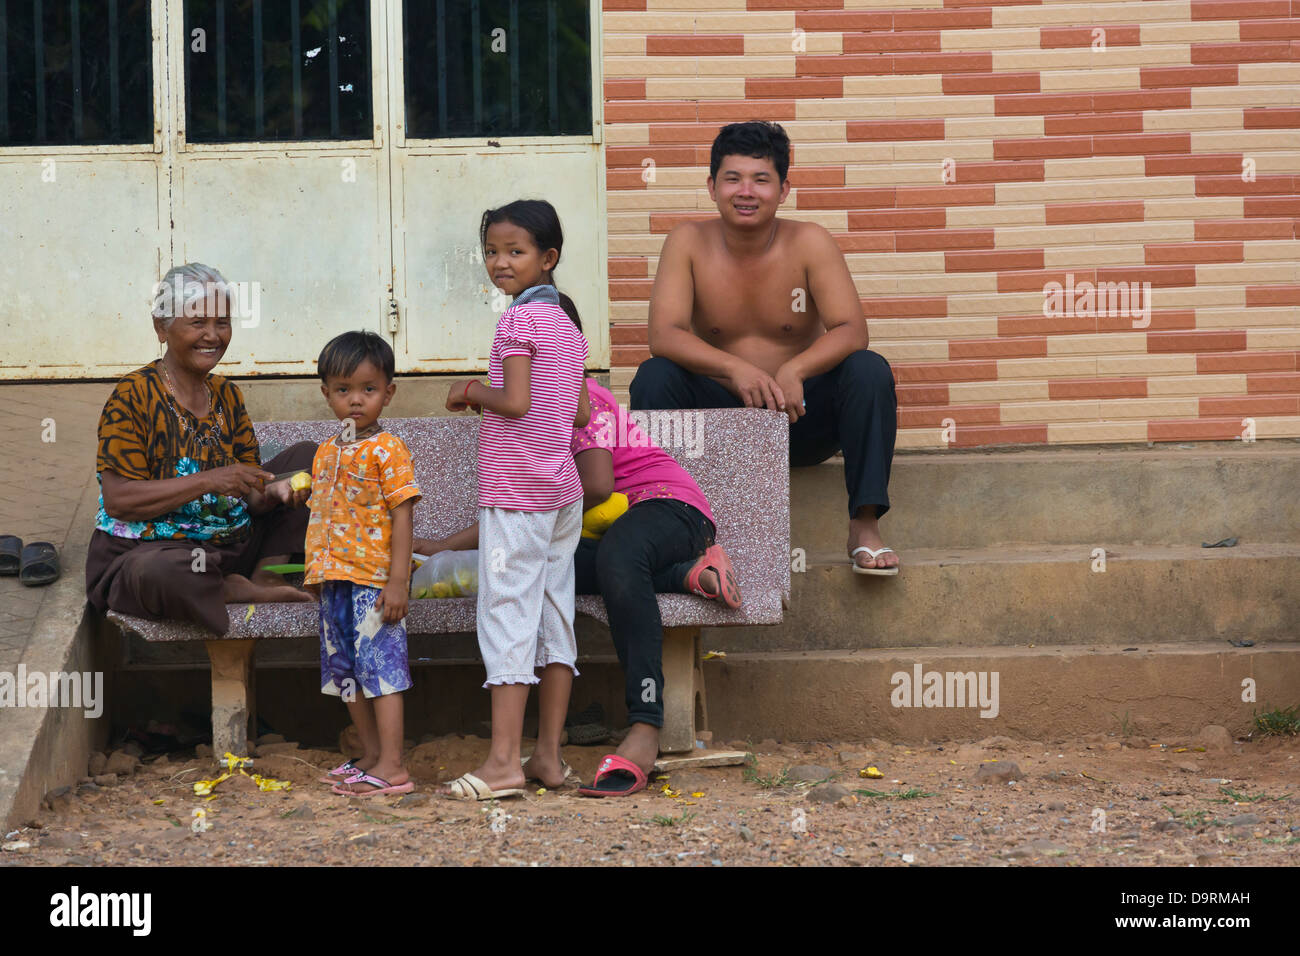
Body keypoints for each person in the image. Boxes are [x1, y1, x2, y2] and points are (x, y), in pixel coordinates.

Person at [417, 296, 739, 797]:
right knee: (545, 573)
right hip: (619, 535)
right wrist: (445, 546)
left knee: (616, 559)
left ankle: (645, 724)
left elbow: (596, 486)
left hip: (669, 506)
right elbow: (524, 510)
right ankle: (684, 574)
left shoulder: (584, 396)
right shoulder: (530, 404)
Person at [630, 121, 901, 575]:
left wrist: (795, 369)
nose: (746, 191)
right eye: (733, 178)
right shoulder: (687, 242)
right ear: (712, 185)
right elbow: (665, 335)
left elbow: (852, 329)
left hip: (799, 418)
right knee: (654, 376)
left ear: (784, 188)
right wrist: (735, 369)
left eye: (761, 179)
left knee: (869, 369)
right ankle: (672, 526)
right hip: (721, 424)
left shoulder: (809, 241)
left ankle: (864, 526)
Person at [438, 199, 591, 801]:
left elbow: (519, 402)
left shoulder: (517, 324)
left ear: (548, 258)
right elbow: (577, 409)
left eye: (515, 252)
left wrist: (472, 390)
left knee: (506, 614)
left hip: (518, 491)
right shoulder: (570, 328)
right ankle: (547, 758)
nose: (500, 263)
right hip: (562, 492)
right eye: (492, 252)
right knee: (555, 616)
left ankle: (503, 762)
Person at [86, 263, 315, 635]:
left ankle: (267, 574)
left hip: (230, 545)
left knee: (313, 457)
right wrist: (209, 480)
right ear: (162, 327)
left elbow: (249, 496)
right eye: (198, 323)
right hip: (153, 552)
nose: (213, 335)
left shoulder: (227, 394)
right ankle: (226, 587)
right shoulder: (133, 396)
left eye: (222, 323)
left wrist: (272, 491)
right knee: (156, 573)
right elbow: (118, 500)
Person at [307, 331, 421, 798]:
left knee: (381, 672)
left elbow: (403, 512)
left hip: (373, 584)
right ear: (326, 393)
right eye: (343, 390)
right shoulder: (326, 451)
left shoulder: (387, 449)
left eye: (368, 390)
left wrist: (398, 582)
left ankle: (393, 766)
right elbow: (324, 513)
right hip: (334, 581)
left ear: (388, 393)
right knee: (346, 672)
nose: (356, 401)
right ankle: (371, 755)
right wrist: (316, 571)